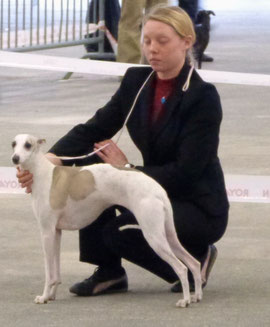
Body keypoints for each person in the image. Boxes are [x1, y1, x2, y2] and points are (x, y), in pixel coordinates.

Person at [17, 6, 229, 296]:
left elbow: (186, 172)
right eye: (146, 40)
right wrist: (47, 161)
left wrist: (128, 171)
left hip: (195, 203)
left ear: (187, 41)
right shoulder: (136, 81)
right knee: (92, 159)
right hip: (151, 187)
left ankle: (196, 261)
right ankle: (109, 273)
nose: (151, 49)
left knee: (118, 233)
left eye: (162, 41)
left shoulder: (202, 97)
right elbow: (94, 129)